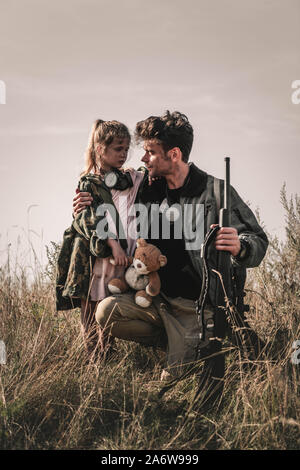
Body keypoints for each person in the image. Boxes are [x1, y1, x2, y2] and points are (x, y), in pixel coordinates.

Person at [72, 111, 268, 383]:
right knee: (107, 311)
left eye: (150, 152)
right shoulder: (146, 188)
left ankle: (192, 345)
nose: (142, 158)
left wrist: (240, 246)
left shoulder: (215, 191)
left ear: (174, 155)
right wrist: (85, 204)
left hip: (196, 308)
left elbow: (257, 239)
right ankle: (177, 343)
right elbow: (108, 194)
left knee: (168, 389)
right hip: (157, 300)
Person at [56, 119, 145, 360]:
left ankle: (109, 358)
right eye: (118, 149)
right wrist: (113, 244)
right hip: (96, 257)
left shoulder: (127, 180)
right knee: (91, 309)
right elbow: (90, 219)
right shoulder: (89, 182)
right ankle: (94, 361)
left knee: (109, 308)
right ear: (100, 149)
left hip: (119, 260)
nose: (124, 154)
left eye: (126, 149)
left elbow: (146, 175)